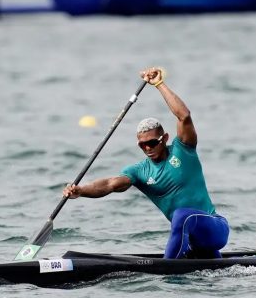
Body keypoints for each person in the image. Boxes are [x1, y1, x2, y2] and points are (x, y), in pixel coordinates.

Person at [63, 67, 229, 259]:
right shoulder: (140, 171)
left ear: (164, 138)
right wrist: (81, 190)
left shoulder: (183, 149)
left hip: (215, 229)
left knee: (182, 216)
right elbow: (110, 184)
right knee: (187, 230)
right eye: (142, 145)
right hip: (194, 242)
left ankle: (167, 270)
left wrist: (159, 84)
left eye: (152, 142)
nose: (148, 148)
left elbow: (184, 116)